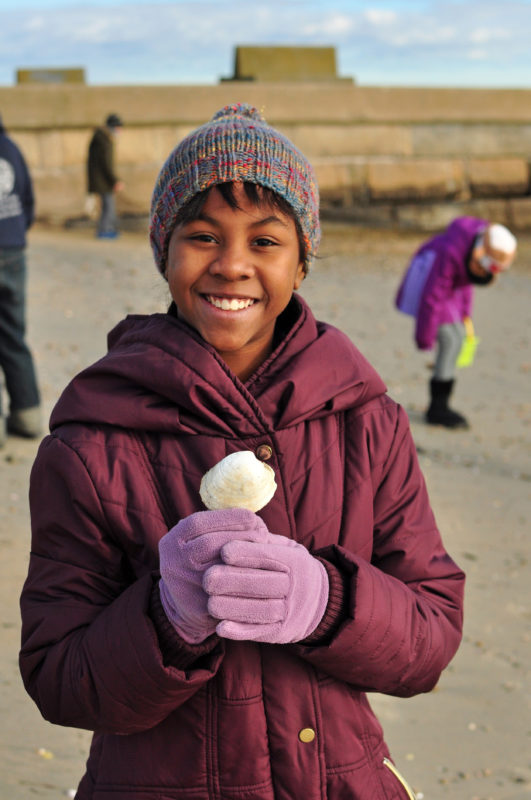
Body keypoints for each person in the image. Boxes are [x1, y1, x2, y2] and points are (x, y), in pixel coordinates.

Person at [20, 103, 465, 800]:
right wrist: (167, 619)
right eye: (201, 236)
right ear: (163, 249)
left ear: (300, 259)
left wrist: (329, 601)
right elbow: (59, 679)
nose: (231, 266)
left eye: (265, 242)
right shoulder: (89, 444)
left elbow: (430, 637)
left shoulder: (367, 424)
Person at [395, 217, 517, 429]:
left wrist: (465, 315)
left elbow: (465, 286)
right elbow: (432, 295)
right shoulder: (450, 253)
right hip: (427, 279)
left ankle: (442, 400)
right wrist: (424, 336)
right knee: (450, 339)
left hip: (449, 289)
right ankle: (438, 407)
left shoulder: (475, 246)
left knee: (459, 336)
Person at [0, 113, 42, 445]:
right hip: (13, 249)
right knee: (13, 334)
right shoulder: (12, 148)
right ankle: (28, 415)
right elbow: (28, 201)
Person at [87, 113, 124, 239]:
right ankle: (105, 229)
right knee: (108, 205)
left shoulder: (100, 137)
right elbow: (106, 163)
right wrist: (114, 180)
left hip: (100, 179)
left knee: (106, 205)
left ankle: (106, 228)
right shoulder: (104, 140)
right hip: (103, 180)